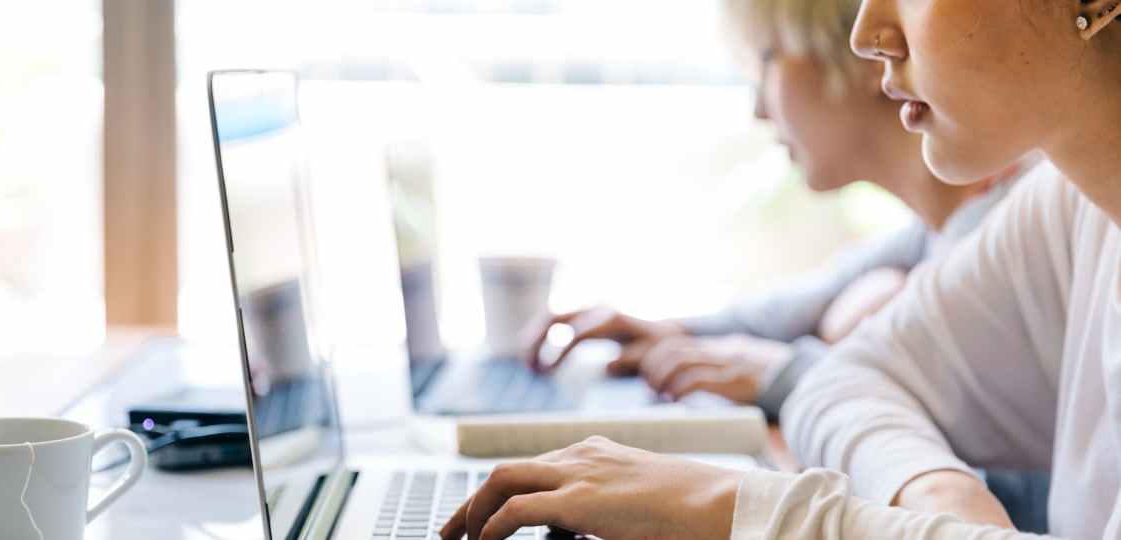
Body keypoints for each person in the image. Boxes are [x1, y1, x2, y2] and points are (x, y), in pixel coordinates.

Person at [438, 0, 1121, 535]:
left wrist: (728, 508)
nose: (865, 34)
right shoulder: (1073, 207)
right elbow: (843, 380)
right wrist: (935, 496)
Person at [521, 0, 1024, 426]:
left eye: (768, 59)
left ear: (874, 56)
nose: (759, 108)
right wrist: (677, 333)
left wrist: (779, 373)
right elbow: (799, 308)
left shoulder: (1011, 234)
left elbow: (954, 407)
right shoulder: (943, 226)